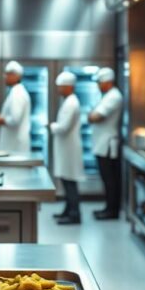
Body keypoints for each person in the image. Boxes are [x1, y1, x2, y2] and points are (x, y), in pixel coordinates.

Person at [88, 67, 124, 220]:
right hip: (102, 144)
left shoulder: (114, 96)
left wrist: (91, 116)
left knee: (110, 179)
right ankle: (108, 208)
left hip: (108, 145)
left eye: (99, 82)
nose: (98, 85)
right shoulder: (107, 95)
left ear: (108, 82)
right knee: (106, 178)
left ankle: (112, 211)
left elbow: (96, 116)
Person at [50, 71, 84, 225]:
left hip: (69, 148)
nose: (58, 90)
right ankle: (68, 210)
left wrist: (51, 126)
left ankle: (74, 214)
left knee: (70, 182)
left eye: (61, 87)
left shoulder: (71, 103)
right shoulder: (69, 101)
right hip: (65, 147)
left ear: (69, 87)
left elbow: (63, 128)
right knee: (66, 181)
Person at [0, 60, 31, 154]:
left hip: (14, 145)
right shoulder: (17, 92)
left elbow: (15, 120)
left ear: (16, 76)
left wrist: (0, 120)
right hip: (14, 144)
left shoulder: (17, 94)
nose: (5, 77)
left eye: (8, 74)